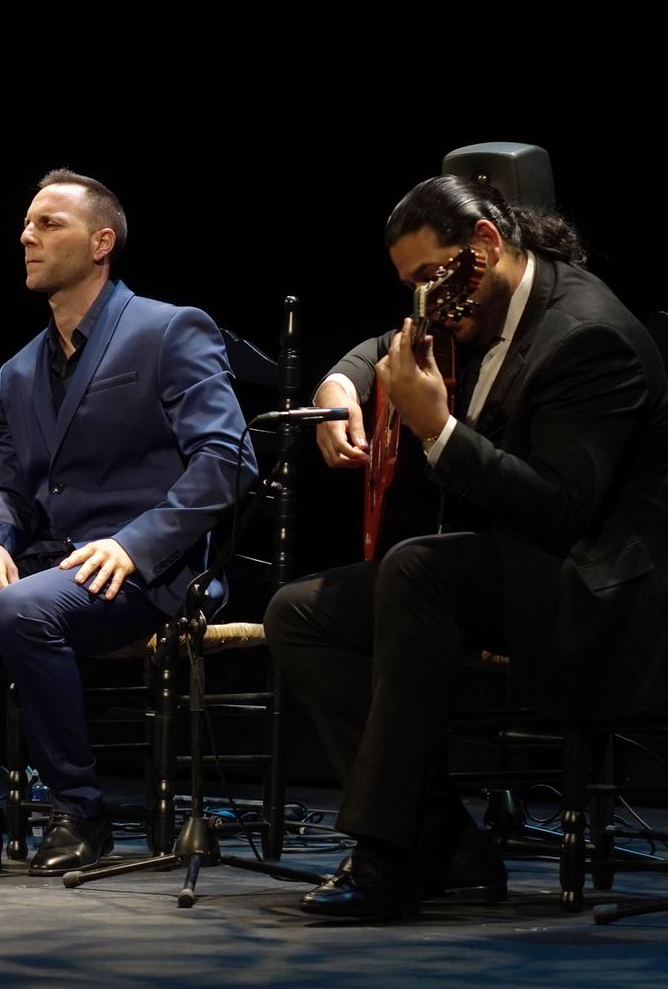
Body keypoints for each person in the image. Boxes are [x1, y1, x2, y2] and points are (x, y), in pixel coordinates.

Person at [265, 174, 668, 918]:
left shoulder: (589, 338)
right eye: (413, 282)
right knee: (299, 612)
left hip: (595, 598)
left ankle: (387, 859)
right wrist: (340, 386)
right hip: (510, 575)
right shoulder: (473, 303)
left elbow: (559, 512)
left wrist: (436, 432)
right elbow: (383, 342)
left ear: (483, 246)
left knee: (420, 568)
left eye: (430, 277)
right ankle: (444, 839)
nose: (426, 299)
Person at [0, 170, 254, 876]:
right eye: (27, 224)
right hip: (51, 561)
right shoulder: (17, 370)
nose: (27, 236)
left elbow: (228, 460)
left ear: (102, 242)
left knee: (22, 608)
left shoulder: (168, 328)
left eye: (49, 224)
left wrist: (134, 544)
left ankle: (81, 811)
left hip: (150, 570)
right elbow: (7, 482)